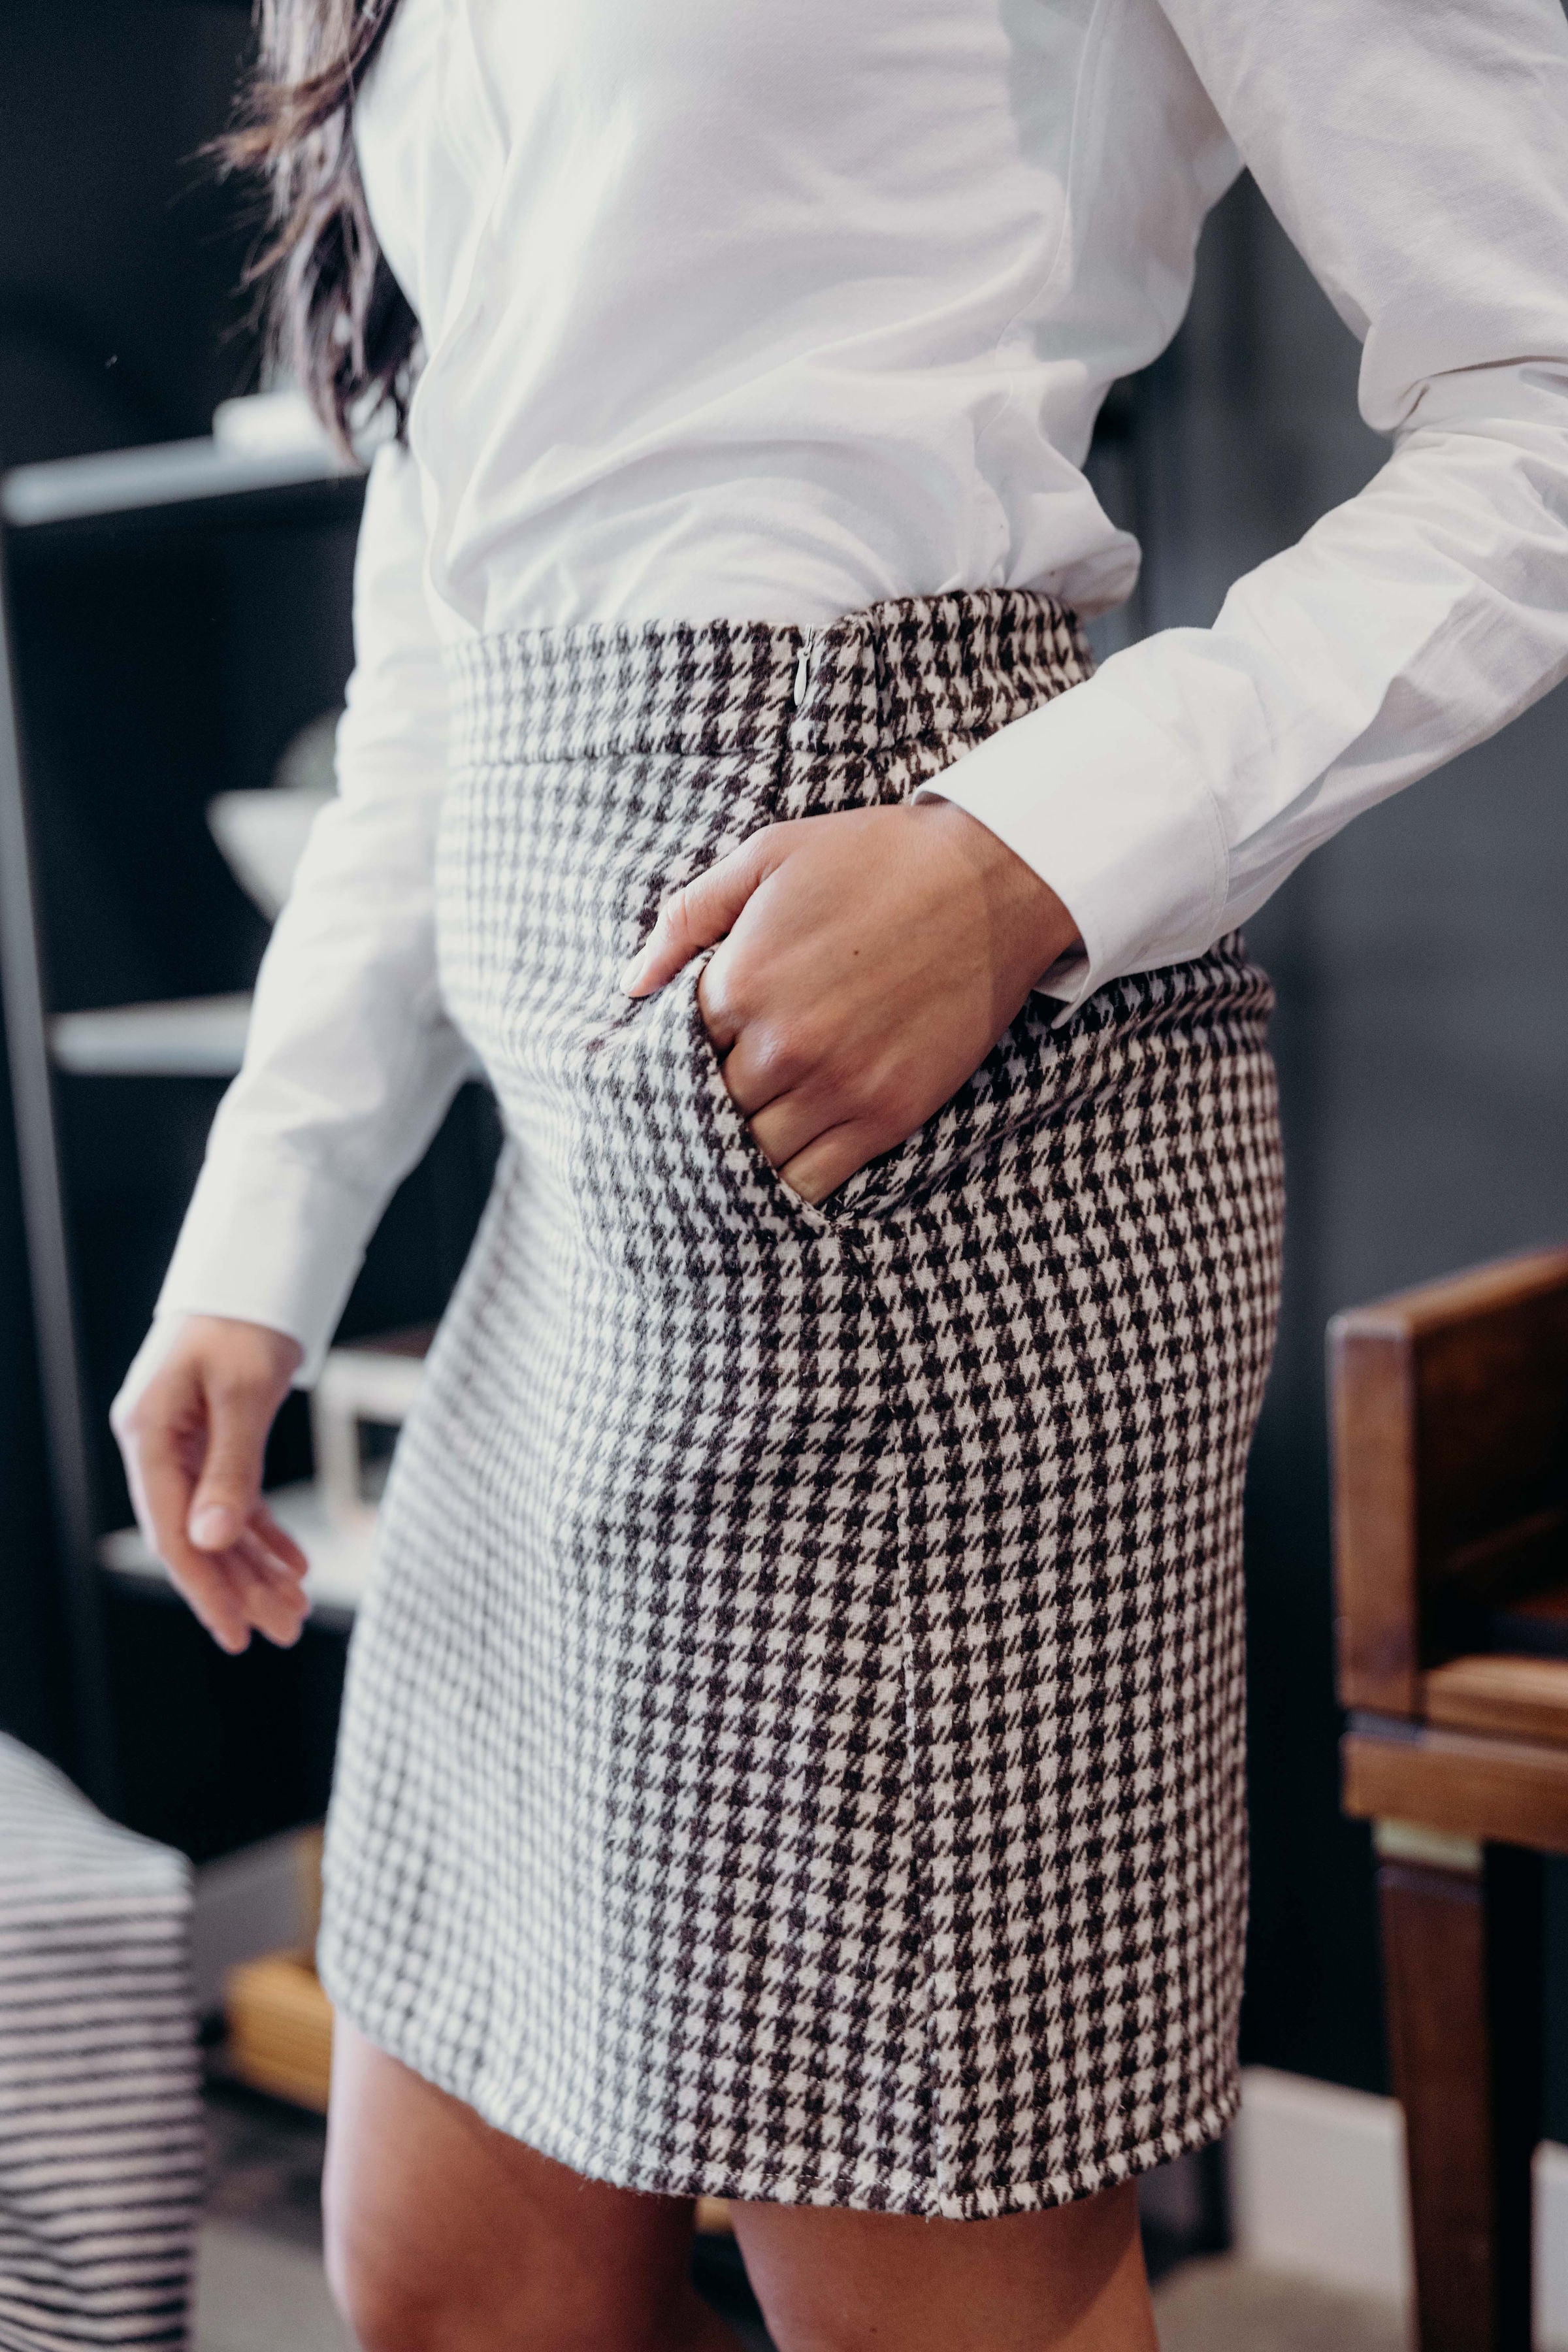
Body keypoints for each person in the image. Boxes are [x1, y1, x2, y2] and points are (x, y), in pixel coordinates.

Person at [112, 1, 1568, 2345]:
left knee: (927, 2287)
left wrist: (1019, 853)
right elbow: (445, 643)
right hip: (569, 1207)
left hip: (932, 1152)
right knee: (447, 2287)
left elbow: (1545, 384)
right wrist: (260, 1228)